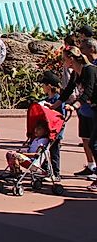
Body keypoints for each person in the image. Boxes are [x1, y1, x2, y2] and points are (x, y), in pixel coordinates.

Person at [58, 46, 97, 184]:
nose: (63, 61)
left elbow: (89, 91)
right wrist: (55, 105)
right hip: (90, 109)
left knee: (94, 144)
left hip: (94, 108)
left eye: (64, 58)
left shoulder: (90, 69)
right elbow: (68, 90)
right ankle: (92, 168)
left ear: (71, 59)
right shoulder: (76, 73)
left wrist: (75, 105)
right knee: (89, 141)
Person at [39, 71, 65, 180]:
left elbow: (61, 115)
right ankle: (46, 170)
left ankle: (56, 173)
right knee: (44, 148)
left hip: (55, 129)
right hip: (47, 129)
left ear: (49, 86)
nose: (42, 87)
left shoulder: (57, 100)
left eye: (43, 85)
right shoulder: (47, 99)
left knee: (54, 151)